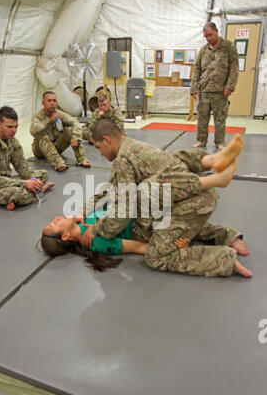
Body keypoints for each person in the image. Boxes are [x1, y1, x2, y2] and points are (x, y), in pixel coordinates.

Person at [78, 120, 251, 278]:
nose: (100, 153)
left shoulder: (122, 162)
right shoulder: (135, 147)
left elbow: (123, 213)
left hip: (194, 200)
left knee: (155, 256)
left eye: (99, 147)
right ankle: (209, 160)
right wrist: (81, 211)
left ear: (107, 140)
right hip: (190, 201)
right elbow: (108, 191)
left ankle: (222, 258)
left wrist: (96, 229)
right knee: (170, 160)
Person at [41, 210, 190, 271]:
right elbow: (139, 247)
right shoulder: (96, 243)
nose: (56, 218)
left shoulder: (82, 222)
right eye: (54, 223)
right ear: (65, 236)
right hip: (147, 223)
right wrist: (173, 246)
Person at [0, 106, 54, 210]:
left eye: (16, 126)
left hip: (5, 180)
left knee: (43, 175)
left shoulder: (12, 141)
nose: (14, 130)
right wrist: (25, 183)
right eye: (9, 127)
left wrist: (34, 180)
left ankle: (10, 199)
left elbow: (21, 167)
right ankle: (40, 190)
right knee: (18, 194)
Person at [191, 22, 239, 150]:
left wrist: (230, 86)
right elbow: (197, 69)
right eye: (206, 36)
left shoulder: (229, 47)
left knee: (220, 118)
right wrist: (194, 88)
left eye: (210, 35)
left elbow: (234, 68)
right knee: (202, 118)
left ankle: (220, 142)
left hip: (221, 91)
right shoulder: (203, 50)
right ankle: (201, 140)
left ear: (217, 31)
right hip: (204, 90)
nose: (208, 38)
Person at [30, 91, 91, 171]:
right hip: (40, 151)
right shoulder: (38, 116)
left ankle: (82, 159)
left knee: (70, 131)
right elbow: (33, 131)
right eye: (49, 101)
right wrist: (49, 120)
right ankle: (58, 163)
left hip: (56, 147)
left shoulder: (59, 114)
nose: (52, 103)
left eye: (54, 101)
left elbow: (75, 122)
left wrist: (75, 138)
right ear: (43, 103)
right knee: (42, 136)